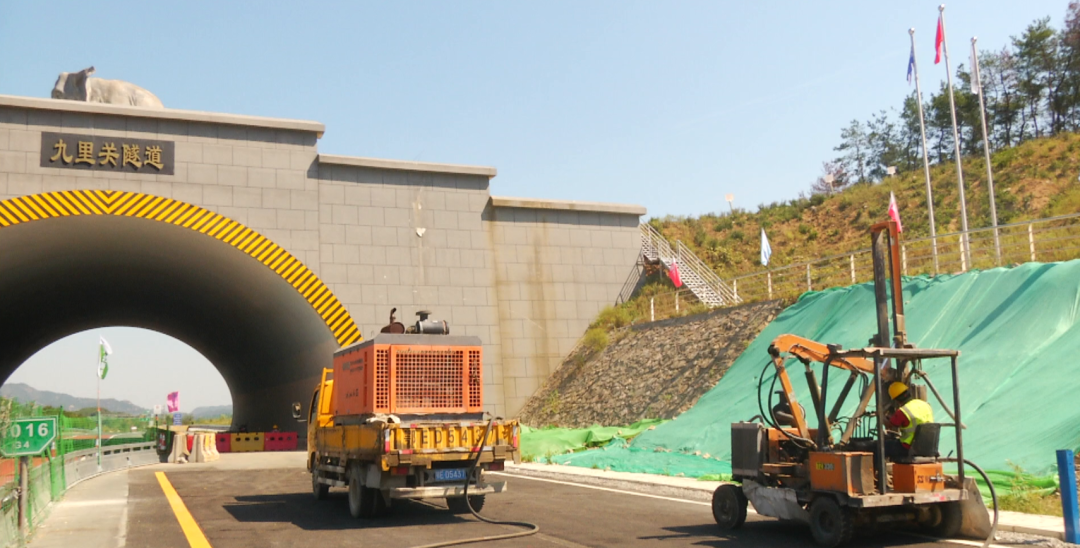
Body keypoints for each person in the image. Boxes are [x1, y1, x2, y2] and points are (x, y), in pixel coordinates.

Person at [886, 382, 934, 454]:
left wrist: (882, 416)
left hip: (908, 447)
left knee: (878, 446)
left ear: (897, 400)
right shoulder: (926, 404)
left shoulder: (902, 411)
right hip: (928, 446)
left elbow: (890, 425)